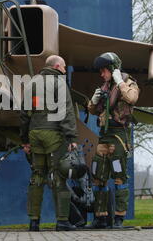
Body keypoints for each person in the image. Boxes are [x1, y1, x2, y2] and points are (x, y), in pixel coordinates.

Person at [20, 55, 78, 231]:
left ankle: (34, 222)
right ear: (57, 66)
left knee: (37, 176)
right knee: (57, 177)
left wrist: (25, 140)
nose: (64, 69)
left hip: (34, 133)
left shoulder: (32, 83)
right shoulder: (59, 83)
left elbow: (24, 113)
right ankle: (62, 221)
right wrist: (71, 138)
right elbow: (66, 111)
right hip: (53, 134)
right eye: (64, 66)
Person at [87, 52, 139, 228]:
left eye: (104, 71)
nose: (102, 74)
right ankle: (100, 217)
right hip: (104, 135)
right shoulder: (105, 87)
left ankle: (119, 218)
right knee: (98, 175)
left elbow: (132, 98)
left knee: (119, 176)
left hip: (119, 135)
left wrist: (120, 82)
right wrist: (92, 102)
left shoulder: (127, 82)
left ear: (112, 69)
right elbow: (94, 110)